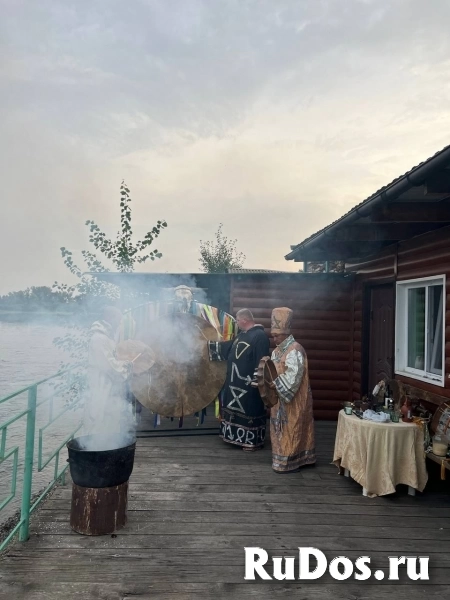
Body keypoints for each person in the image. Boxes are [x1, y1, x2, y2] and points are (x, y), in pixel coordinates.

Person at [208, 308, 270, 451]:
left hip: (248, 386)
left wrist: (257, 381)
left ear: (244, 320)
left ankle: (250, 442)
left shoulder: (259, 336)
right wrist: (206, 346)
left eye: (237, 320)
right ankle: (233, 438)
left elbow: (262, 359)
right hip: (234, 383)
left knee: (250, 409)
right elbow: (228, 348)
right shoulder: (242, 335)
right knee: (233, 409)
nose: (236, 323)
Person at [269, 307, 316, 473]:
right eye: (273, 335)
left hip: (294, 399)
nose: (274, 339)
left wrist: (275, 383)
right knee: (279, 430)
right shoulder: (277, 351)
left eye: (276, 335)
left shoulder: (295, 349)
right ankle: (280, 459)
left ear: (286, 333)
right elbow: (272, 371)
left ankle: (292, 461)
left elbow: (293, 377)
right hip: (279, 399)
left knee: (293, 428)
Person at [84, 306, 134, 436]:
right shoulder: (98, 338)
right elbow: (108, 365)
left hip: (107, 383)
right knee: (99, 415)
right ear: (109, 318)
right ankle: (96, 448)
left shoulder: (105, 337)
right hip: (100, 384)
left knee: (108, 415)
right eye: (118, 319)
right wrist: (126, 366)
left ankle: (106, 444)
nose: (119, 323)